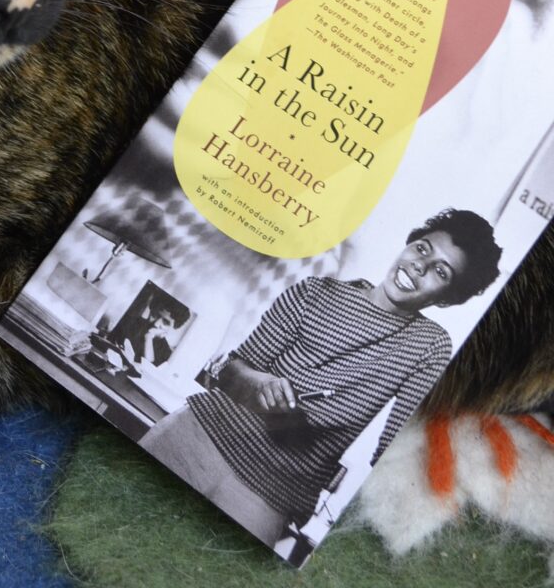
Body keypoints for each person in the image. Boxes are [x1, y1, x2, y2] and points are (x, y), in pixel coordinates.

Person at [139, 209, 502, 546]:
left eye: (441, 272)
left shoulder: (429, 346)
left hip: (273, 493)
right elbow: (232, 370)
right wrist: (258, 384)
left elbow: (396, 448)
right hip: (195, 435)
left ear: (448, 298)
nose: (421, 267)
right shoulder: (313, 292)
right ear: (408, 244)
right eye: (422, 249)